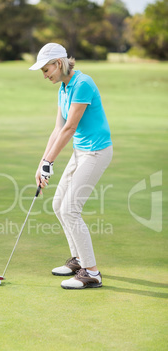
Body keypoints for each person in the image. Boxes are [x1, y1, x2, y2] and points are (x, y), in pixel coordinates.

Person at [29, 43, 113, 290]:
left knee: (70, 209)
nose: (45, 76)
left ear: (59, 63)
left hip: (96, 152)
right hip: (81, 151)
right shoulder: (63, 88)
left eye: (47, 70)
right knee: (58, 204)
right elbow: (57, 128)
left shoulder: (83, 83)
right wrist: (42, 162)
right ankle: (78, 261)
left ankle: (92, 273)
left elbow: (70, 128)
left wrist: (50, 162)